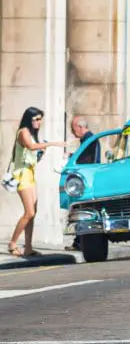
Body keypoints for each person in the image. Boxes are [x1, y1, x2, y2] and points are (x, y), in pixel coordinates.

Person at [7, 107, 70, 257]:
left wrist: (41, 153)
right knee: (29, 212)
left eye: (40, 119)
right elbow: (30, 146)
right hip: (22, 175)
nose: (38, 122)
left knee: (33, 213)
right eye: (35, 119)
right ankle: (12, 243)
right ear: (28, 119)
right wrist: (52, 144)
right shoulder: (23, 132)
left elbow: (33, 154)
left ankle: (28, 247)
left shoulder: (32, 134)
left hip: (30, 174)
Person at [67, 116, 100, 251]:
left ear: (80, 127)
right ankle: (78, 242)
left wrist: (72, 158)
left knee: (82, 210)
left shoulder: (88, 139)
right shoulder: (90, 139)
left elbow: (87, 159)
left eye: (73, 129)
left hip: (86, 179)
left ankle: (80, 242)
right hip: (89, 177)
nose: (73, 133)